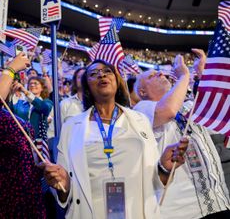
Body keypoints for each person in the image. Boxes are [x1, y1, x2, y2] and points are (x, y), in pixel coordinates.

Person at [39, 59, 188, 219]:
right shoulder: (71, 127)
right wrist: (62, 183)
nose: (102, 75)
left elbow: (154, 181)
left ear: (117, 81)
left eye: (107, 71)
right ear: (87, 87)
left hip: (137, 212)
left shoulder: (140, 120)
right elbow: (64, 188)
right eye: (94, 74)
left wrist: (164, 168)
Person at [134, 54, 230, 219]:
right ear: (142, 91)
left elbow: (221, 117)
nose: (160, 74)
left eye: (161, 73)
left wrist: (204, 75)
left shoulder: (189, 105)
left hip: (218, 202)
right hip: (184, 212)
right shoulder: (141, 110)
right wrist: (184, 76)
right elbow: (168, 111)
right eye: (151, 76)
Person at [0, 53, 47, 218]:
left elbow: (43, 108)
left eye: (36, 83)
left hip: (29, 172)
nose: (33, 85)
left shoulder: (43, 101)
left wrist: (26, 92)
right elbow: (8, 111)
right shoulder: (19, 103)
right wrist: (10, 70)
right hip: (10, 187)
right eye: (31, 83)